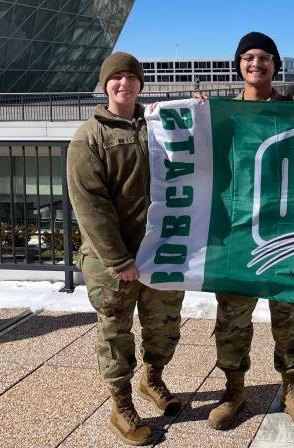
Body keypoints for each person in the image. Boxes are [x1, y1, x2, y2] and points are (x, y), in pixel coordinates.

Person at [67, 52, 185, 446]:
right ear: (105, 85)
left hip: (159, 253)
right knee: (116, 332)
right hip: (112, 261)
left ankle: (153, 380)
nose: (124, 84)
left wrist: (200, 111)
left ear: (141, 84)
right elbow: (90, 205)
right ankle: (121, 404)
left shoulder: (158, 126)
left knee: (164, 324)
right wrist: (119, 260)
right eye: (116, 78)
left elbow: (196, 146)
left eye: (131, 78)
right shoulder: (90, 136)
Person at [206, 32, 294, 432]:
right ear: (238, 64)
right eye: (249, 57)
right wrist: (197, 113)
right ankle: (234, 389)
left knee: (290, 314)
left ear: (276, 65)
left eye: (265, 58)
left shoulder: (293, 108)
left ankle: (292, 388)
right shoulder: (222, 113)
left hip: (285, 231)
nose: (257, 63)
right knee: (232, 317)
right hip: (238, 231)